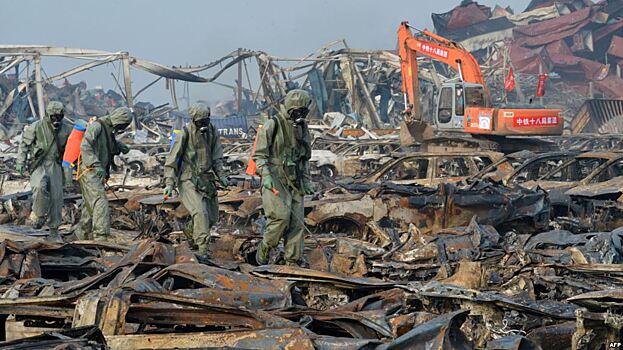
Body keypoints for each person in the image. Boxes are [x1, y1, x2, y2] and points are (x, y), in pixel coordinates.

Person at [254, 89, 314, 266]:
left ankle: (292, 260)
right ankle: (266, 246)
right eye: (297, 110)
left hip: (295, 179)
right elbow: (259, 155)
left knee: (297, 222)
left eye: (303, 111)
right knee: (280, 217)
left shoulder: (302, 127)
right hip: (275, 177)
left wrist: (306, 179)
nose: (299, 114)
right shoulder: (273, 125)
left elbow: (304, 157)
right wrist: (265, 175)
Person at [163, 103, 227, 257]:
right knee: (200, 212)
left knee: (212, 217)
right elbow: (172, 160)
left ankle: (191, 231)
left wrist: (222, 175)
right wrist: (169, 183)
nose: (203, 125)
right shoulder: (184, 134)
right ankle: (202, 249)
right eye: (200, 122)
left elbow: (217, 157)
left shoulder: (212, 132)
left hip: (206, 178)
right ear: (193, 120)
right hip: (188, 179)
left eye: (206, 121)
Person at [16, 101, 72, 242]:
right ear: (48, 115)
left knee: (56, 197)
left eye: (58, 116)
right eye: (53, 116)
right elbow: (24, 145)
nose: (56, 120)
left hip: (56, 165)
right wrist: (20, 161)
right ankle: (40, 215)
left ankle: (54, 230)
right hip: (39, 163)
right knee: (39, 187)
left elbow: (74, 148)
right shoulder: (37, 126)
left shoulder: (66, 129)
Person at [75, 107, 132, 241]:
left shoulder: (108, 129)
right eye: (123, 125)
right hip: (89, 171)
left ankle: (81, 234)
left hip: (97, 172)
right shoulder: (97, 126)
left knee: (90, 205)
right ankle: (101, 236)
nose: (122, 128)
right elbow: (85, 146)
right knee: (100, 201)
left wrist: (119, 147)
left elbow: (107, 145)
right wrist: (95, 164)